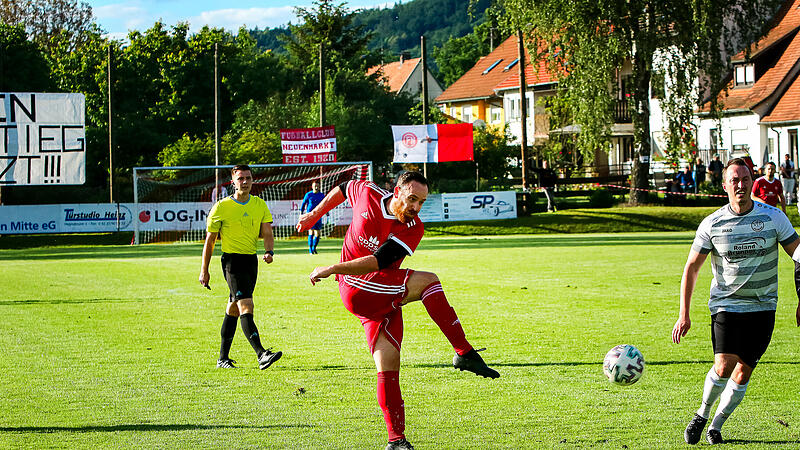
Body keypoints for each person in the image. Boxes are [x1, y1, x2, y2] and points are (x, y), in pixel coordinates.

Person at [296, 172, 499, 450]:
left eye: (421, 202)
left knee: (388, 367)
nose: (416, 207)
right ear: (397, 191)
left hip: (382, 290)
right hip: (358, 286)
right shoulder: (367, 193)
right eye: (412, 199)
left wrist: (332, 267)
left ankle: (396, 440)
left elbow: (380, 260)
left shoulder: (413, 228)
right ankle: (465, 353)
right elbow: (344, 188)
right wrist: (313, 217)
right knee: (429, 282)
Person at [672, 158, 800, 445]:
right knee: (724, 366)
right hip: (726, 304)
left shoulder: (774, 217)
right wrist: (684, 314)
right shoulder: (712, 223)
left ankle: (715, 426)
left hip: (763, 306)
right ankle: (701, 414)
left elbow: (799, 254)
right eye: (734, 180)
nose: (740, 185)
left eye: (744, 179)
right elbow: (692, 267)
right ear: (724, 185)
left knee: (742, 373)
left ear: (752, 180)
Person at [200, 164, 283, 370]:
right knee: (247, 305)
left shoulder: (259, 204)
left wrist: (269, 251)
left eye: (248, 178)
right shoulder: (221, 207)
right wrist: (204, 270)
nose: (245, 182)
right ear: (233, 182)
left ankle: (222, 358)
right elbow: (210, 241)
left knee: (233, 309)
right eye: (240, 179)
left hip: (250, 261)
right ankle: (261, 354)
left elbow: (268, 233)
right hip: (232, 262)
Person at [300, 180, 326, 254]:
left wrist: (327, 213)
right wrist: (301, 213)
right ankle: (310, 249)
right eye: (315, 186)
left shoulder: (321, 195)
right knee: (311, 231)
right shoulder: (308, 194)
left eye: (317, 186)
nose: (316, 187)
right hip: (310, 216)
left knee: (318, 233)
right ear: (312, 186)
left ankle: (314, 248)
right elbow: (303, 203)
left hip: (318, 215)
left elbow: (325, 204)